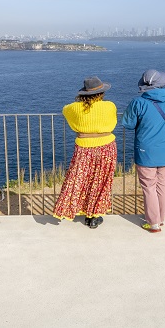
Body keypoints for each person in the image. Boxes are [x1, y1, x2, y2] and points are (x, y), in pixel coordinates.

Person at [122, 69, 165, 233]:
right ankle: (161, 219)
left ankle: (153, 223)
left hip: (146, 151)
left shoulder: (138, 103)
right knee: (163, 185)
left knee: (149, 187)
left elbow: (128, 124)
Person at [52, 76, 118, 229]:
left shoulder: (75, 108)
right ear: (101, 93)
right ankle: (94, 216)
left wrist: (81, 104)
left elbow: (65, 109)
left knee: (80, 179)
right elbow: (113, 121)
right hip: (107, 146)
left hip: (84, 148)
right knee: (101, 181)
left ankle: (75, 210)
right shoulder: (110, 106)